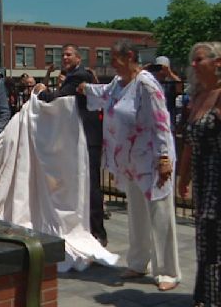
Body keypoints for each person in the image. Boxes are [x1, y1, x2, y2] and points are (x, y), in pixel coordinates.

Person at [77, 38, 180, 291]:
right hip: (131, 161)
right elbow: (102, 95)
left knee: (160, 214)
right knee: (136, 213)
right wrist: (84, 88)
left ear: (130, 56)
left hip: (153, 160)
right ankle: (138, 261)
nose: (111, 63)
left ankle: (167, 271)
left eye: (115, 58)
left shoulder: (146, 84)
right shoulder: (116, 83)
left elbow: (161, 121)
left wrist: (165, 158)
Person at [34, 43, 107, 247]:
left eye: (69, 54)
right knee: (81, 182)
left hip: (88, 137)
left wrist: (41, 91)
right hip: (77, 137)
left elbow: (57, 98)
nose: (64, 58)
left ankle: (98, 231)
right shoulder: (72, 76)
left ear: (78, 58)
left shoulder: (78, 76)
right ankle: (87, 226)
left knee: (91, 184)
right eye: (63, 55)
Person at [178, 41, 221, 307]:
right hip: (204, 180)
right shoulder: (197, 97)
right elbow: (189, 143)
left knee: (216, 241)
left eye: (200, 59)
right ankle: (205, 296)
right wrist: (184, 178)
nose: (194, 64)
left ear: (218, 63)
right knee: (205, 238)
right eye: (192, 59)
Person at [146, 55, 183, 133]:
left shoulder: (170, 82)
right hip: (152, 116)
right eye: (158, 67)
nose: (160, 71)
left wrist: (169, 73)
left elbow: (180, 87)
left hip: (168, 116)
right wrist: (144, 70)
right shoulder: (149, 80)